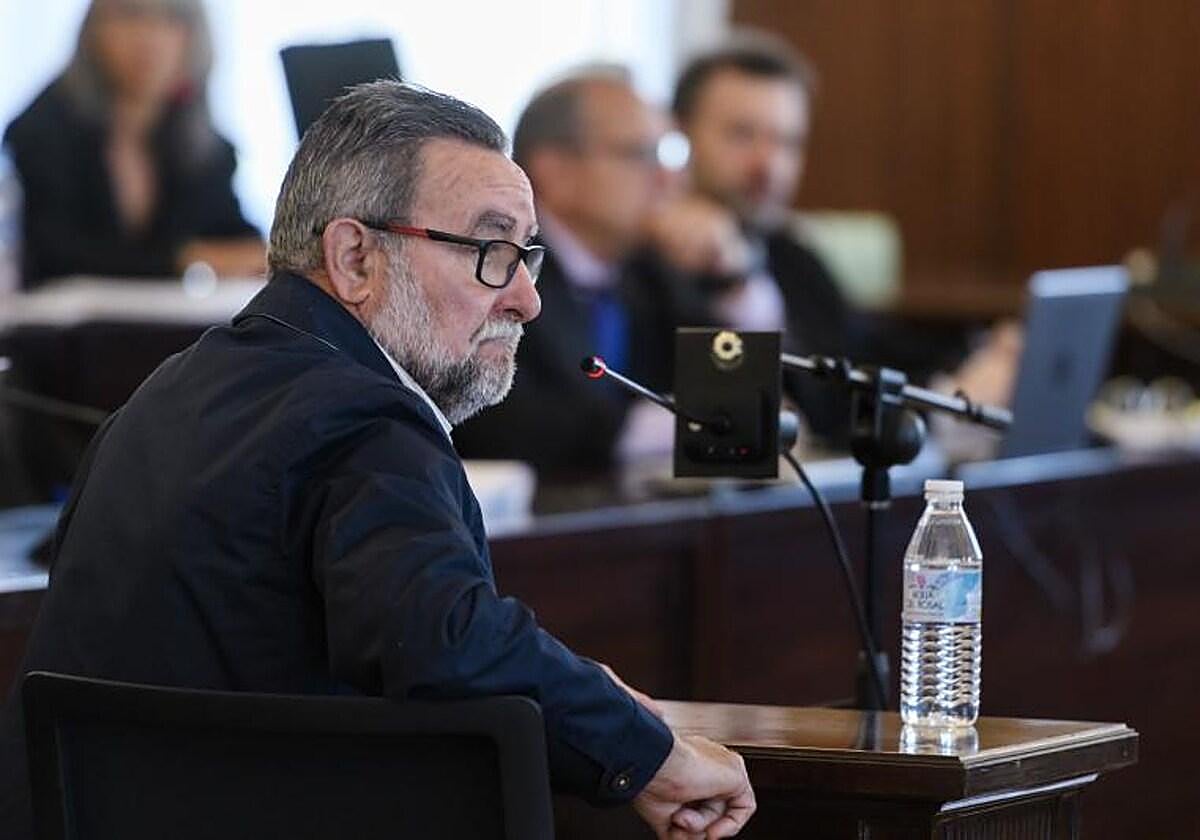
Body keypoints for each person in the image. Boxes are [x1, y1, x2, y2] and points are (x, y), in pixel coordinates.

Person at [0, 81, 755, 839]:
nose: (526, 299)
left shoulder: (165, 393)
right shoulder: (362, 415)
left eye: (527, 255)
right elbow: (447, 641)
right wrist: (647, 752)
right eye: (491, 252)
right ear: (355, 257)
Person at [657, 33, 1019, 442]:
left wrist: (983, 353)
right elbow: (809, 413)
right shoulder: (645, 263)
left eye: (787, 142)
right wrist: (939, 410)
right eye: (742, 135)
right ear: (679, 135)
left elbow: (863, 351)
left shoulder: (787, 251)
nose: (768, 164)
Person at [454, 68, 710, 476]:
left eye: (668, 156)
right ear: (556, 172)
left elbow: (736, 390)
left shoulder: (655, 269)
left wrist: (737, 278)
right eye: (640, 155)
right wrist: (658, 428)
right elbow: (502, 424)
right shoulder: (493, 269)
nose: (668, 179)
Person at [2, 0, 263, 288]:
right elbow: (55, 255)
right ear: (93, 30)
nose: (149, 37)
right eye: (129, 15)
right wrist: (186, 259)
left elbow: (234, 235)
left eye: (171, 20)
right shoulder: (42, 130)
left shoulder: (201, 145)